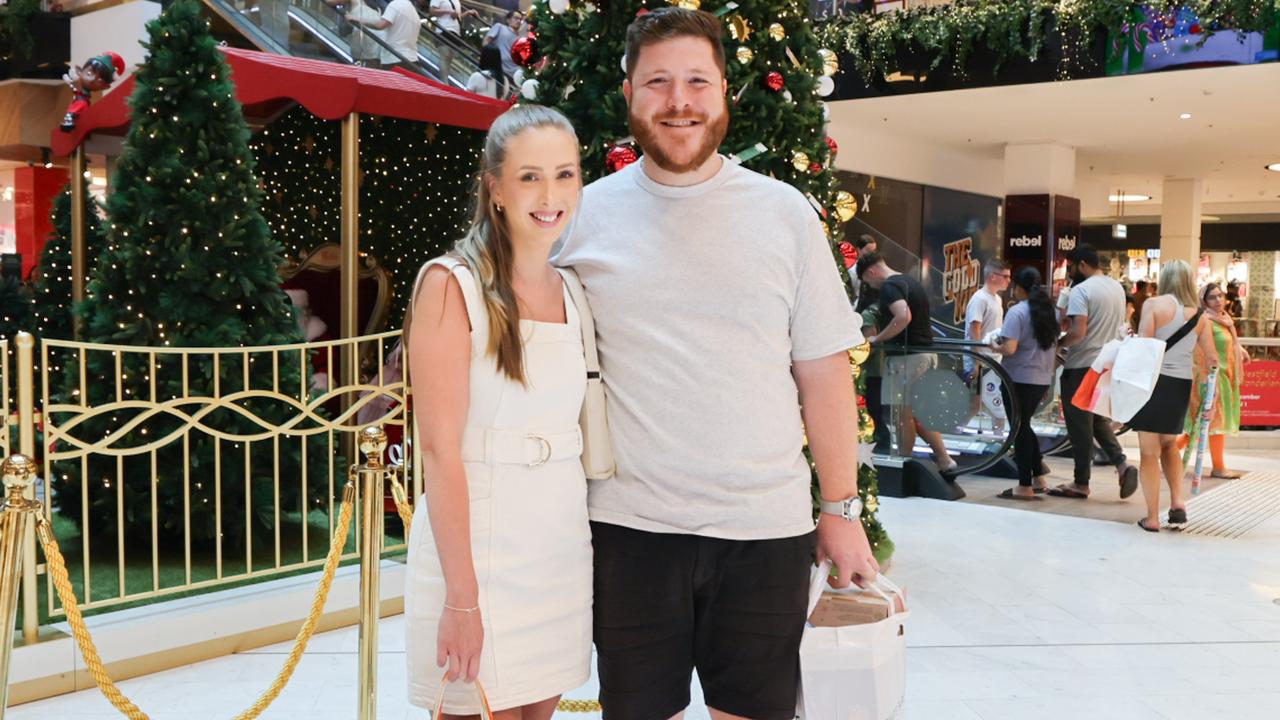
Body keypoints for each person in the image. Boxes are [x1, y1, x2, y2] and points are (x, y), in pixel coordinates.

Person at [553, 9, 878, 719]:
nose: (680, 101)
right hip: (629, 530)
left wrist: (841, 510)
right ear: (629, 93)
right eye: (659, 81)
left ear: (725, 90)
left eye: (697, 80)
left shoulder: (784, 213)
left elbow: (823, 370)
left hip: (764, 530)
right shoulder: (582, 216)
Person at [403, 105, 592, 718]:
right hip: (479, 553)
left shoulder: (572, 291)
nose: (550, 194)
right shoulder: (449, 284)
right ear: (495, 187)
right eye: (530, 176)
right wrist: (462, 599)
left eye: (565, 175)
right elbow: (438, 450)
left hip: (557, 547)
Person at [1128, 260, 1218, 532]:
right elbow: (1212, 360)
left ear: (1165, 278)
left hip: (1153, 383)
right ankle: (1178, 501)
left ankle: (1153, 517)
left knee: (1148, 452)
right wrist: (1209, 400)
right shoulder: (1200, 316)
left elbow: (1145, 347)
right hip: (1181, 386)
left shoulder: (1154, 305)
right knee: (1169, 445)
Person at [1050, 244, 1138, 499]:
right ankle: (1122, 465)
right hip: (1107, 363)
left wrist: (1059, 343)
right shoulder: (1117, 289)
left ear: (1082, 265)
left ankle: (1081, 482)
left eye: (1071, 267)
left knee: (1079, 426)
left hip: (1082, 365)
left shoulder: (1082, 290)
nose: (1070, 273)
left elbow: (1078, 332)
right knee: (1098, 420)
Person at [858, 251, 957, 473]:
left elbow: (903, 316)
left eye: (867, 281)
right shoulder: (910, 282)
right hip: (924, 353)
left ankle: (903, 463)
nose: (871, 287)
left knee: (901, 413)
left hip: (906, 357)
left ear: (872, 272)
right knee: (913, 412)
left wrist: (877, 338)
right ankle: (943, 459)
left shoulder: (889, 287)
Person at [991, 267, 1057, 500]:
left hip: (1017, 379)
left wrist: (995, 347)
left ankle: (1024, 485)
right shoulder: (1048, 311)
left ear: (1019, 287)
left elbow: (1010, 348)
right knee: (1025, 425)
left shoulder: (1017, 312)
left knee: (1019, 429)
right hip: (1041, 378)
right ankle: (1038, 477)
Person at [1180, 282, 1251, 479]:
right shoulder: (1205, 321)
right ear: (1203, 301)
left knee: (1206, 425)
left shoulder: (1224, 319)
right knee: (1210, 423)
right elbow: (1201, 351)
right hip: (1211, 378)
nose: (1219, 300)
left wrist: (1240, 350)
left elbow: (1227, 342)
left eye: (1220, 295)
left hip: (1225, 377)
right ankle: (1218, 467)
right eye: (1213, 297)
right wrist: (1208, 379)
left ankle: (1166, 455)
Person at [963, 258, 1010, 427]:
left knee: (995, 404)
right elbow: (974, 331)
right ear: (992, 276)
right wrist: (976, 363)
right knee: (978, 404)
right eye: (1005, 276)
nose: (1008, 280)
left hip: (993, 360)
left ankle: (999, 438)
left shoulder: (996, 299)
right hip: (981, 362)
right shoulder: (979, 299)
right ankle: (956, 431)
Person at [350, 0, 421, 70]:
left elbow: (380, 25)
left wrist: (358, 19)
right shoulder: (414, 12)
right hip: (412, 60)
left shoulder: (395, 5)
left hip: (394, 59)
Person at [484, 9, 524, 79]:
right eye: (516, 18)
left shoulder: (520, 39)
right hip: (499, 69)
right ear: (508, 20)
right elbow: (486, 42)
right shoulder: (499, 27)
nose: (518, 21)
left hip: (515, 72)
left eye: (520, 20)